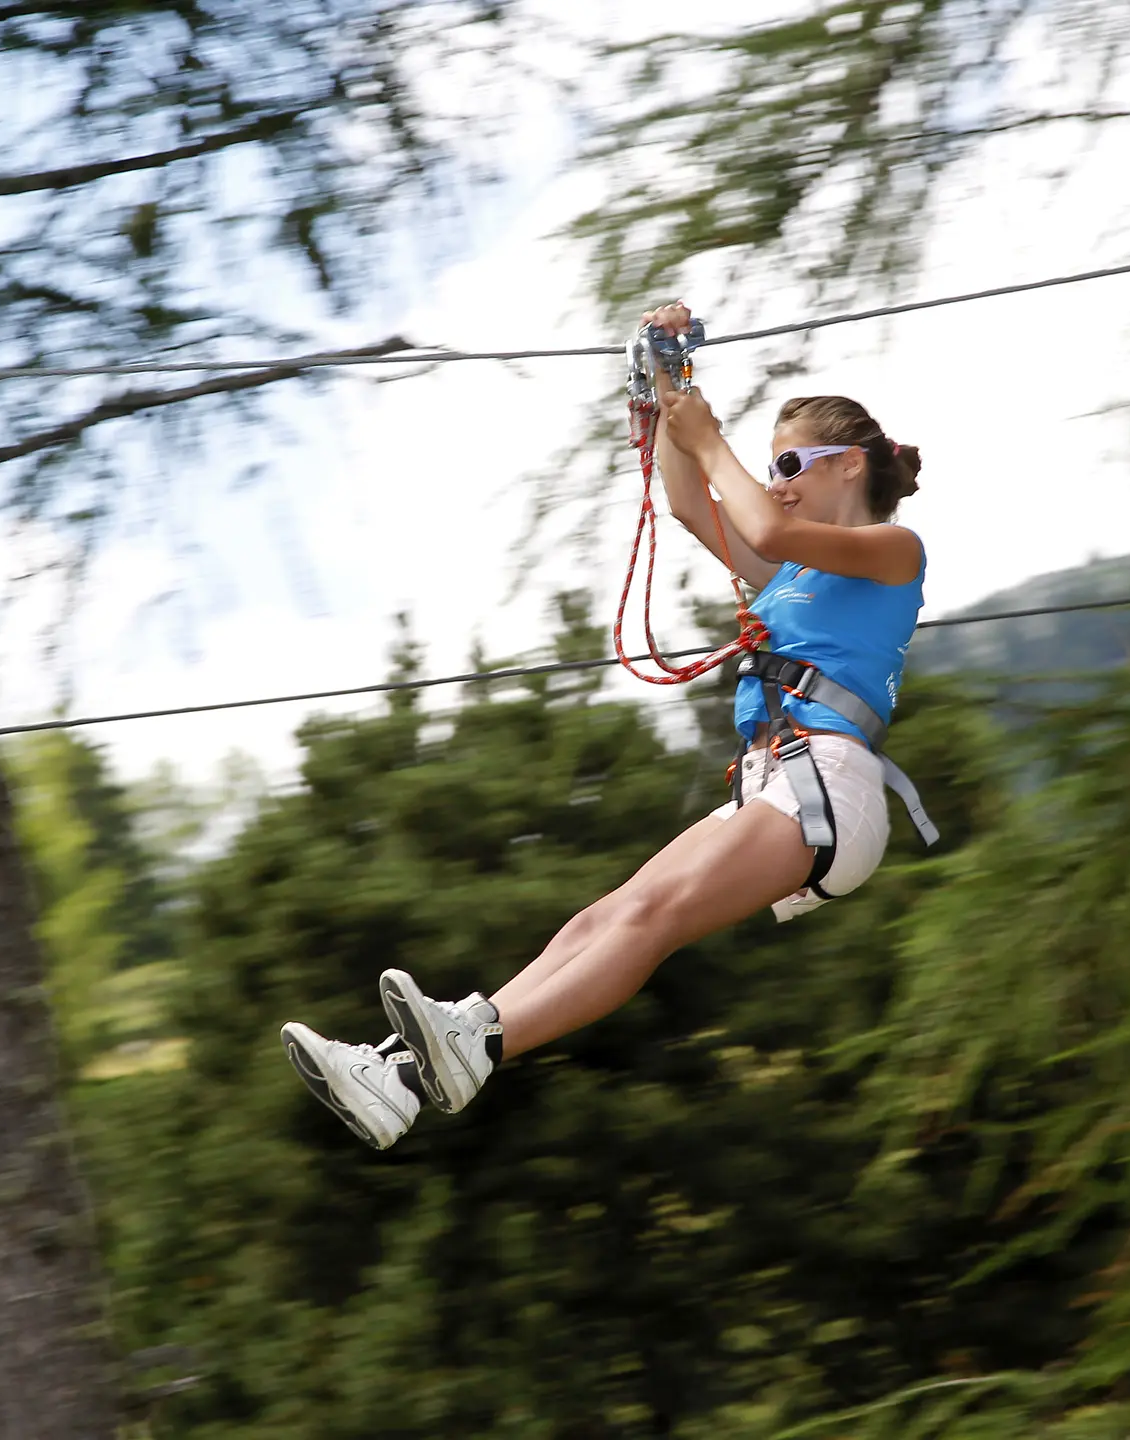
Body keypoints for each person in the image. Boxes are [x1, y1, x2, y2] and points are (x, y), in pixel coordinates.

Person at [280, 302, 927, 1149]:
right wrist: (669, 387)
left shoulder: (894, 548)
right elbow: (695, 505)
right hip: (777, 780)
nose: (777, 481)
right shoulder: (787, 570)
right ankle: (403, 1076)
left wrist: (706, 435)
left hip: (827, 787)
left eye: (793, 463)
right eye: (773, 466)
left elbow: (759, 518)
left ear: (851, 466)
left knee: (649, 919)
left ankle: (477, 1043)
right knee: (604, 917)